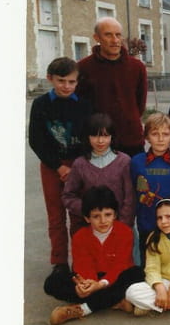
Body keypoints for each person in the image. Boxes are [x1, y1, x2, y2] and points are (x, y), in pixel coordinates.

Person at [45, 186, 145, 325]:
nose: (103, 221)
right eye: (96, 216)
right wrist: (85, 286)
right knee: (52, 282)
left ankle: (82, 309)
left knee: (137, 273)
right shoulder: (79, 237)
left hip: (115, 278)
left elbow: (120, 265)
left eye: (108, 214)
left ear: (115, 214)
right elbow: (83, 265)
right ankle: (114, 301)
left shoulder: (125, 232)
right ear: (87, 218)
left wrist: (100, 285)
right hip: (92, 280)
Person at [28, 56, 92, 273]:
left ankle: (81, 259)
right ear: (50, 78)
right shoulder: (41, 104)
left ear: (77, 81)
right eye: (61, 81)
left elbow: (89, 138)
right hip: (51, 166)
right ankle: (60, 262)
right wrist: (58, 166)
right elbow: (36, 140)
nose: (66, 86)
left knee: (78, 214)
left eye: (71, 82)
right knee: (56, 215)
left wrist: (77, 167)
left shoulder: (84, 105)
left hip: (78, 165)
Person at [76, 17, 147, 155]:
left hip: (131, 140)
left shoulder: (137, 67)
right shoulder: (83, 67)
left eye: (118, 35)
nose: (115, 40)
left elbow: (140, 104)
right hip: (99, 142)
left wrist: (129, 120)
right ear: (97, 37)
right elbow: (81, 106)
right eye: (108, 35)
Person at [62, 113, 135, 229]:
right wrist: (88, 210)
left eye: (105, 136)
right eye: (95, 136)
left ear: (112, 136)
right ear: (87, 137)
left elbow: (130, 197)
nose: (100, 141)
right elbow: (68, 196)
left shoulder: (124, 161)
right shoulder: (80, 164)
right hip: (91, 228)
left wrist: (123, 225)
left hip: (120, 226)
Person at [130, 112, 170, 253]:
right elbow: (132, 194)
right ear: (147, 137)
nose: (160, 139)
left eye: (165, 134)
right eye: (155, 134)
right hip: (147, 225)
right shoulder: (136, 162)